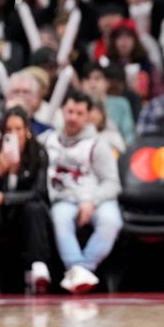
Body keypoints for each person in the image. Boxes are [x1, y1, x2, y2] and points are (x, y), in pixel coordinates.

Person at [42, 90, 123, 294]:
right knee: (60, 219)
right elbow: (21, 137)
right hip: (63, 199)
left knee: (112, 220)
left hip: (95, 198)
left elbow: (112, 183)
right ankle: (79, 270)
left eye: (79, 113)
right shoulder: (47, 139)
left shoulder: (98, 144)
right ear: (62, 111)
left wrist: (92, 202)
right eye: (70, 111)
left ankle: (82, 268)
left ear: (88, 116)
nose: (73, 117)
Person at [0, 107, 52, 294]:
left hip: (25, 212)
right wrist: (0, 170)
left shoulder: (38, 152)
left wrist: (6, 198)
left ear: (27, 130)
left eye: (18, 129)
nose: (14, 134)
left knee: (35, 208)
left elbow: (39, 192)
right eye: (8, 130)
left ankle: (38, 266)